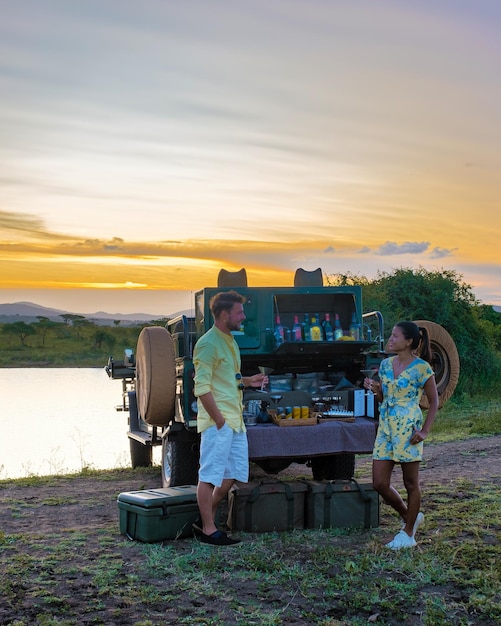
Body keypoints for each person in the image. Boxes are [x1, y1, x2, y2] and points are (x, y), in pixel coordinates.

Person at [193, 290, 267, 546]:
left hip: (235, 419)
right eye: (239, 312)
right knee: (209, 475)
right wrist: (219, 420)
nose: (243, 316)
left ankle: (205, 520)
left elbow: (229, 378)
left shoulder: (230, 341)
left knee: (231, 474)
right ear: (225, 315)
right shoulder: (207, 343)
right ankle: (208, 529)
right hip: (219, 421)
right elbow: (201, 387)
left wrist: (248, 381)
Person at [364, 321, 438, 550]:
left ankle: (408, 535)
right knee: (379, 482)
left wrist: (424, 431)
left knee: (410, 483)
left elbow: (434, 401)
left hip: (409, 430)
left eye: (395, 336)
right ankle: (410, 516)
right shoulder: (385, 365)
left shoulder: (422, 368)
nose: (390, 339)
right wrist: (377, 391)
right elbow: (384, 399)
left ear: (408, 342)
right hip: (386, 428)